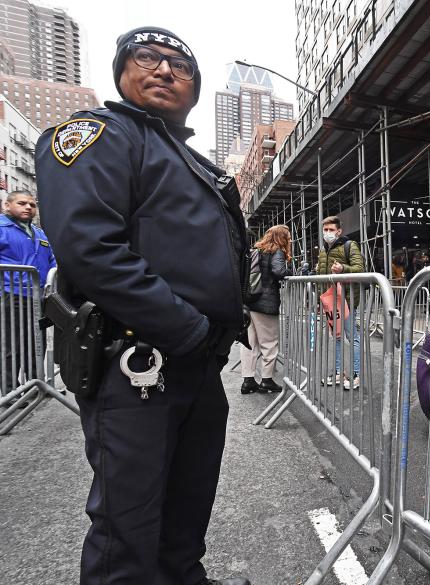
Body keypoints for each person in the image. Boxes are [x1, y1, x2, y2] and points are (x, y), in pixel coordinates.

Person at [35, 27, 250, 585]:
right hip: (137, 360)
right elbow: (91, 250)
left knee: (187, 510)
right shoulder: (100, 134)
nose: (163, 70)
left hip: (197, 363)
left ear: (195, 88)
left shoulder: (191, 159)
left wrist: (214, 337)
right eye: (146, 57)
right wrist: (188, 329)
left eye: (180, 65)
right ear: (121, 72)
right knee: (126, 529)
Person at [0, 191, 56, 402]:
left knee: (35, 343)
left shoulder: (39, 233)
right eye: (22, 203)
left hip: (38, 296)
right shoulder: (2, 229)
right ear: (7, 205)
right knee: (11, 346)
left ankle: (35, 386)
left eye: (32, 204)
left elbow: (51, 259)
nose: (28, 207)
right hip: (10, 294)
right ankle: (11, 393)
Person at [241, 225, 295, 394]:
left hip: (250, 301)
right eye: (288, 237)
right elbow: (278, 271)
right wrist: (291, 271)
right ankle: (267, 379)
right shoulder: (276, 251)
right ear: (281, 238)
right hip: (266, 303)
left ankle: (248, 380)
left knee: (250, 343)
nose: (290, 240)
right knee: (269, 343)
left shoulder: (256, 250)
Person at [317, 215, 364, 390]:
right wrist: (318, 301)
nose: (327, 233)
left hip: (348, 300)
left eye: (331, 230)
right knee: (336, 338)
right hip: (331, 302)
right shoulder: (323, 251)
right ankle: (338, 373)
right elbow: (321, 278)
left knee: (352, 338)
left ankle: (355, 374)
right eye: (325, 230)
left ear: (339, 231)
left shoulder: (349, 245)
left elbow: (360, 269)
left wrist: (343, 269)